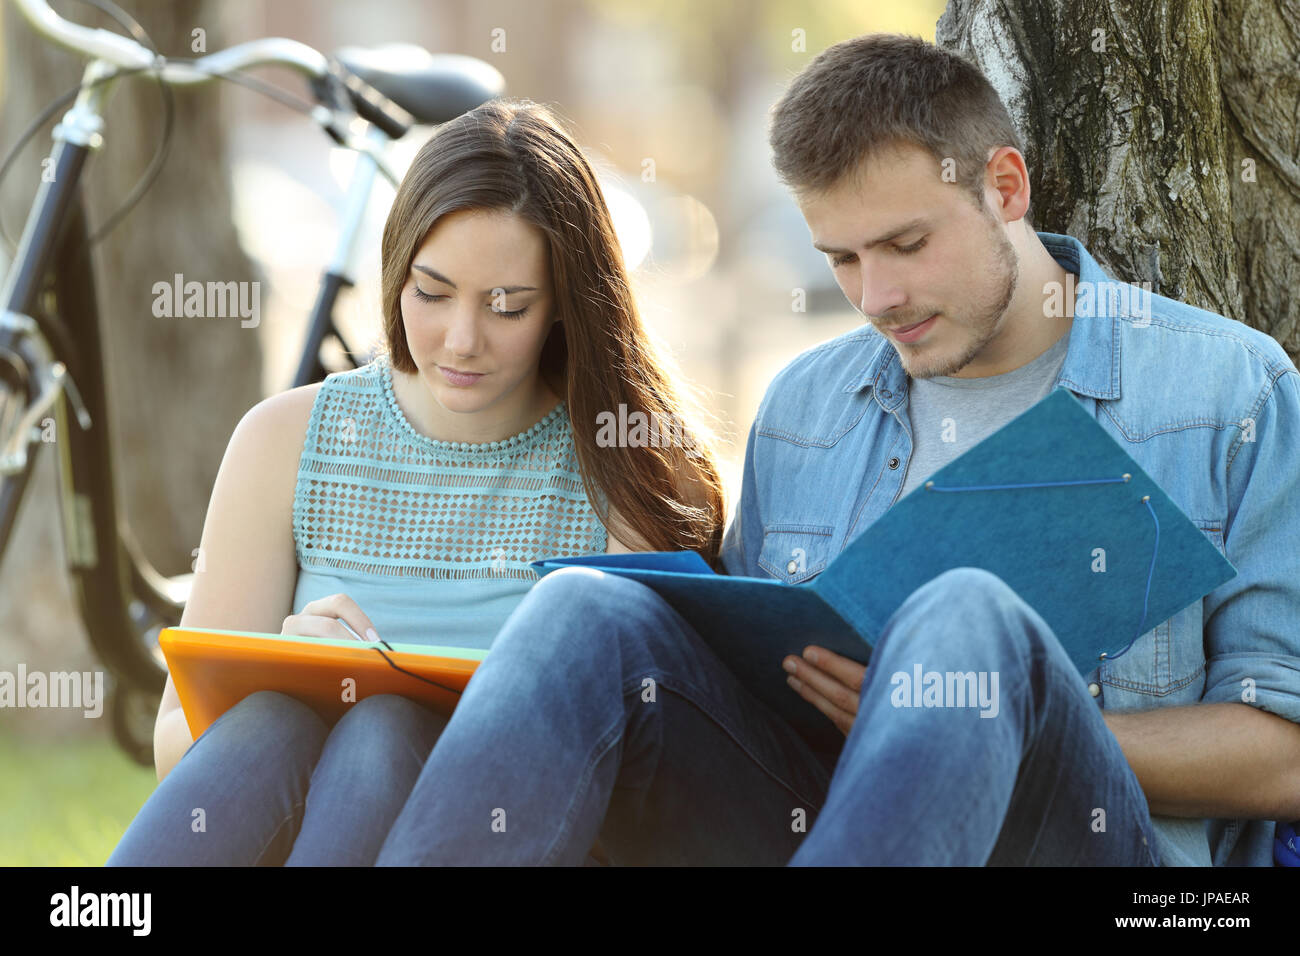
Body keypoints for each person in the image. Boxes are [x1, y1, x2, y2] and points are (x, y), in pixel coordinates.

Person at [371, 34, 1300, 866]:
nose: (878, 296)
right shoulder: (805, 410)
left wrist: (955, 710)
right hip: (821, 823)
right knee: (588, 609)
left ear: (1004, 187)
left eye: (906, 243)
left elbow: (1285, 758)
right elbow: (744, 685)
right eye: (842, 259)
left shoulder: (1225, 394)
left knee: (967, 617)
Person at [105, 98, 725, 866]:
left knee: (383, 728)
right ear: (396, 274)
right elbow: (176, 749)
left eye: (507, 306)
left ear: (566, 303)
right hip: (289, 812)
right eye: (431, 294)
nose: (462, 340)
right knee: (275, 720)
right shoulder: (283, 440)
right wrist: (284, 677)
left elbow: (647, 790)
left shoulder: (627, 468)